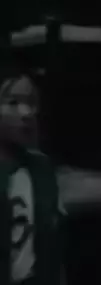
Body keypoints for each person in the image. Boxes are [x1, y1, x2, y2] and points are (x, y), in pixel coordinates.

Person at [0, 69, 65, 285]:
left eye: (31, 103)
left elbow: (55, 248)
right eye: (13, 102)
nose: (26, 113)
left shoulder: (41, 169)